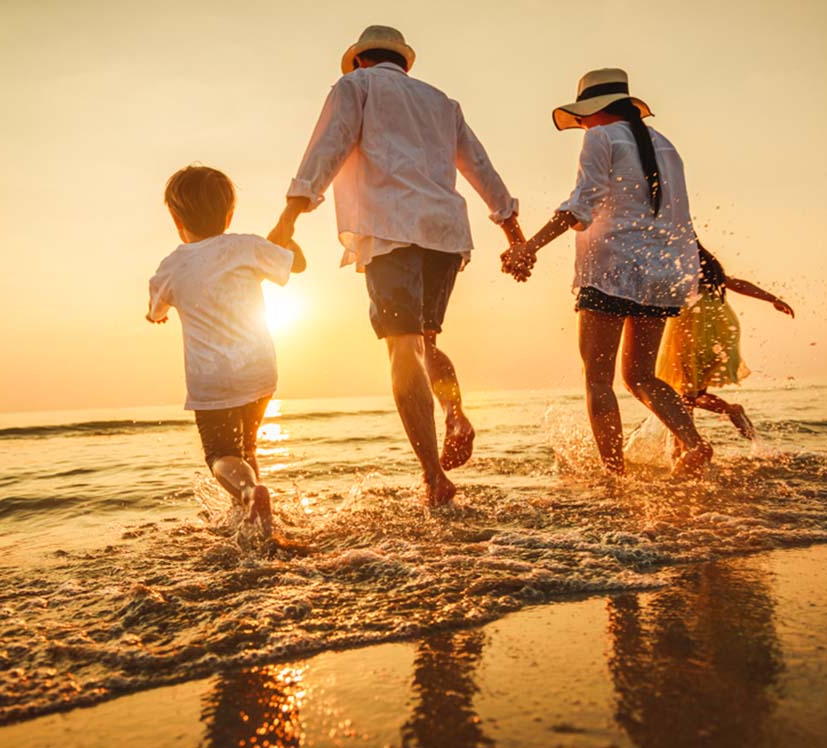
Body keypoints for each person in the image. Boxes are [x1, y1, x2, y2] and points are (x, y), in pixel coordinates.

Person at [268, 26, 524, 507]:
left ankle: (433, 477)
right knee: (427, 341)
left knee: (402, 348)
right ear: (405, 63)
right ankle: (454, 411)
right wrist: (513, 232)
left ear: (360, 60)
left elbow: (327, 149)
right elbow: (480, 167)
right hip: (445, 234)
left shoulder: (355, 87)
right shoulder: (442, 103)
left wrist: (288, 218)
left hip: (390, 231)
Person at [501, 68, 712, 479]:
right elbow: (677, 215)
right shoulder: (665, 144)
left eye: (581, 116)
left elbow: (583, 204)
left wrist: (529, 247)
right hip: (661, 273)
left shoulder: (600, 137)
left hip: (611, 270)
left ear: (593, 111)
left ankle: (614, 478)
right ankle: (695, 443)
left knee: (598, 380)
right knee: (640, 376)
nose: (581, 124)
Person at [147, 165, 305, 536]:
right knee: (247, 446)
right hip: (259, 371)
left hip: (211, 381)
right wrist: (285, 239)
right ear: (229, 214)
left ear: (174, 217)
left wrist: (155, 316)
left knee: (220, 454)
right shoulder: (246, 246)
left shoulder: (171, 267)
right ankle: (253, 519)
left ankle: (249, 494)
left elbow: (155, 309)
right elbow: (296, 265)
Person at [656, 241, 795, 439]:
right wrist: (772, 298)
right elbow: (737, 283)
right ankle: (691, 441)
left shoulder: (680, 265)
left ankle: (693, 441)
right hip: (717, 330)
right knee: (691, 394)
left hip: (693, 332)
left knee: (686, 396)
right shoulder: (706, 268)